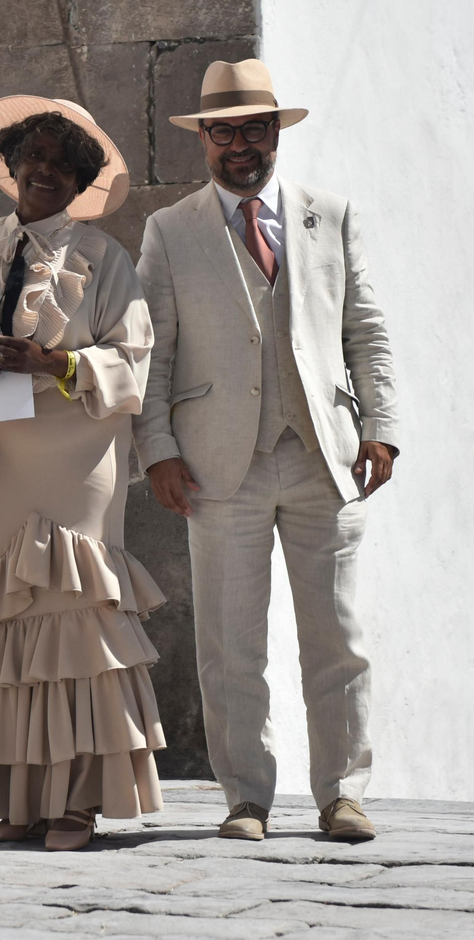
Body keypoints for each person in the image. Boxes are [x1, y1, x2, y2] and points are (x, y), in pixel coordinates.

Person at [133, 58, 400, 844]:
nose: (240, 144)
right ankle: (245, 797)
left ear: (276, 132)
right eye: (224, 131)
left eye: (254, 128)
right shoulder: (171, 230)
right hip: (220, 463)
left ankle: (343, 792)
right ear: (204, 140)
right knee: (230, 642)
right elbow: (154, 351)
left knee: (338, 636)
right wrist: (159, 449)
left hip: (324, 452)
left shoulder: (330, 214)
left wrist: (381, 425)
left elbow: (365, 329)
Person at [0, 96, 162, 852]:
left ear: (83, 179)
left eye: (64, 163)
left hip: (75, 451)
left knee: (76, 612)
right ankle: (17, 798)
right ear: (12, 167)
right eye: (35, 158)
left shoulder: (106, 258)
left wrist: (56, 362)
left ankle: (78, 798)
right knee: (0, 616)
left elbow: (136, 363)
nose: (46, 171)